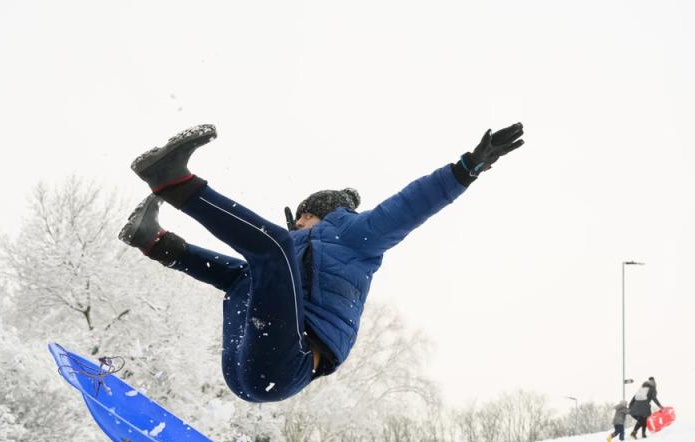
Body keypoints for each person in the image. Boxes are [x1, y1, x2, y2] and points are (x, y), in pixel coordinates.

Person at [120, 123, 524, 402]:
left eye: (304, 215)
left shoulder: (354, 234)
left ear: (323, 212)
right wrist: (169, 249)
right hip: (241, 366)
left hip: (287, 362)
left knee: (271, 250)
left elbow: (409, 206)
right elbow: (240, 276)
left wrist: (467, 168)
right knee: (247, 276)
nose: (297, 222)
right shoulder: (291, 247)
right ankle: (153, 241)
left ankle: (173, 181)